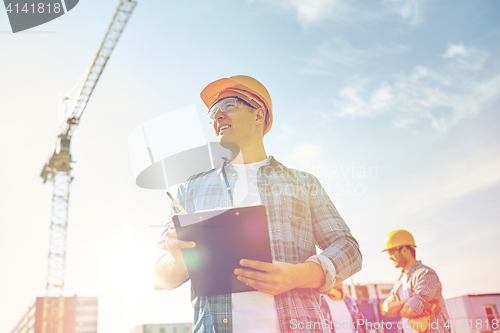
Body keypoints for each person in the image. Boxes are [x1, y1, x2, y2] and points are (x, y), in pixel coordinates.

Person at [152, 75, 362, 333]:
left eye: (228, 105)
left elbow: (349, 249)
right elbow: (160, 275)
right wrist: (177, 260)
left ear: (258, 114)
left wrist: (298, 275)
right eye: (213, 112)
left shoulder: (303, 183)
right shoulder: (190, 190)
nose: (217, 116)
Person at [381, 230, 450, 333]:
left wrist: (397, 308)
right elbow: (386, 309)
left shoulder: (426, 274)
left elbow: (411, 310)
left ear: (404, 250)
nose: (390, 257)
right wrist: (407, 301)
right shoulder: (399, 281)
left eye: (391, 252)